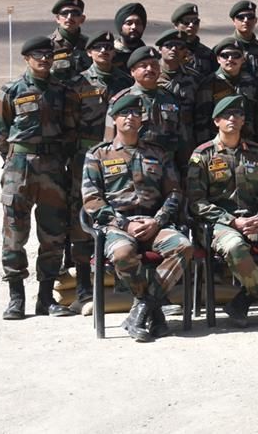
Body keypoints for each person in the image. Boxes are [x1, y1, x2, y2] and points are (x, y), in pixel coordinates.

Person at [186, 96, 258, 327]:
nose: (233, 119)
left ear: (243, 121)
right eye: (226, 115)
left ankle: (243, 299)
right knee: (235, 246)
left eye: (238, 115)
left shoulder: (257, 153)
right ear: (216, 121)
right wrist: (233, 222)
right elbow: (196, 202)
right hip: (218, 223)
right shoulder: (202, 155)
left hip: (257, 218)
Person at [81, 93, 191, 340]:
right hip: (117, 225)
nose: (130, 118)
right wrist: (124, 223)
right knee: (122, 254)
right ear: (115, 120)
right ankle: (154, 311)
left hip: (154, 223)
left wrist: (158, 220)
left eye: (134, 114)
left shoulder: (158, 153)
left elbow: (174, 192)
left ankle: (141, 309)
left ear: (141, 120)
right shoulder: (98, 155)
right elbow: (91, 200)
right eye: (123, 114)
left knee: (183, 246)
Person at [0, 35, 79, 319]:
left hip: (53, 167)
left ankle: (46, 299)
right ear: (26, 58)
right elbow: (1, 134)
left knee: (53, 234)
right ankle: (16, 298)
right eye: (38, 55)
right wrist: (14, 161)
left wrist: (57, 160)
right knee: (14, 234)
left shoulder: (62, 91)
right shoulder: (10, 91)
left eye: (48, 54)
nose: (44, 59)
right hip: (19, 166)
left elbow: (70, 130)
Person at [68, 31, 132, 311]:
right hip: (86, 157)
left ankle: (125, 283)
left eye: (108, 47)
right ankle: (83, 288)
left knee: (123, 211)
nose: (104, 51)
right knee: (83, 221)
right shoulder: (78, 83)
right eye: (98, 48)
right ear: (90, 52)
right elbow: (67, 123)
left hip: (119, 158)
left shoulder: (124, 82)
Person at [108, 46, 190, 172]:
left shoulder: (170, 98)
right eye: (143, 66)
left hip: (167, 168)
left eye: (154, 65)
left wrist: (184, 169)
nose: (149, 69)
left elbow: (182, 139)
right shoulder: (120, 100)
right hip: (134, 167)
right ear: (132, 71)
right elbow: (109, 140)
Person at [194, 38, 258, 149]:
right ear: (218, 59)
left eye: (236, 56)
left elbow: (256, 114)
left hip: (246, 143)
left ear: (243, 59)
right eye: (225, 56)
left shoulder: (250, 82)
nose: (230, 59)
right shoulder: (209, 83)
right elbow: (202, 119)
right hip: (218, 144)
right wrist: (206, 147)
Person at [155, 31, 199, 150]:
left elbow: (200, 113)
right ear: (160, 49)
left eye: (180, 47)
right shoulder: (150, 74)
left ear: (185, 52)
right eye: (169, 45)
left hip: (186, 141)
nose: (174, 49)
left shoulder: (194, 78)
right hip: (157, 142)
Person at [48, 0, 90, 83]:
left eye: (75, 13)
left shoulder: (90, 45)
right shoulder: (47, 45)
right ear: (57, 18)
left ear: (82, 19)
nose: (69, 17)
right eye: (64, 13)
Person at [228, 0, 258, 81]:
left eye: (250, 17)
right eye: (241, 17)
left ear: (255, 20)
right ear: (233, 21)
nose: (246, 20)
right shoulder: (224, 49)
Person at [171, 2, 216, 77]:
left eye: (195, 22)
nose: (191, 25)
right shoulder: (169, 50)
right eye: (186, 22)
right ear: (176, 25)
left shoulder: (208, 54)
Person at [111, 2, 147, 72]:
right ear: (120, 27)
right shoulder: (109, 54)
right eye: (129, 23)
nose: (134, 27)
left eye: (138, 23)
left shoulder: (148, 56)